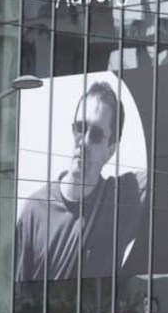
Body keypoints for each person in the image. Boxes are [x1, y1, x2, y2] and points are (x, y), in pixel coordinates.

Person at [15, 80, 148, 282]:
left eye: (96, 134)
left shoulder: (123, 198)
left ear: (111, 150)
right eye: (80, 128)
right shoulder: (34, 210)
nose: (84, 141)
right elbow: (16, 291)